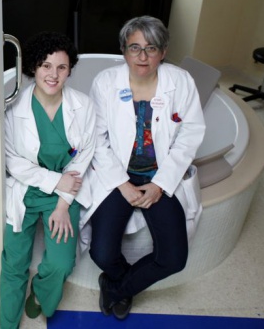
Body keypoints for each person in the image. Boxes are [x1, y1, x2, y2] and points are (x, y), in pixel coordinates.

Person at [82, 16, 206, 320]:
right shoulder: (105, 83)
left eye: (151, 48)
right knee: (102, 253)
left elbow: (191, 134)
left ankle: (116, 289)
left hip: (160, 176)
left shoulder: (180, 82)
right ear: (124, 50)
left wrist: (160, 184)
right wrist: (122, 184)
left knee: (174, 259)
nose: (142, 56)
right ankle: (122, 283)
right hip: (117, 176)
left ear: (163, 52)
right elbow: (96, 139)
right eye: (134, 48)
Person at [0, 32, 96, 328]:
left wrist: (63, 204)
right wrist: (54, 180)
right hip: (25, 190)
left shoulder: (83, 106)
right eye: (46, 66)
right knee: (14, 264)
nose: (53, 75)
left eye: (62, 67)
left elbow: (83, 158)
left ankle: (41, 293)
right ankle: (7, 325)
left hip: (64, 195)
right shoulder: (12, 107)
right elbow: (12, 159)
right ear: (33, 67)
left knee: (61, 263)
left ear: (70, 70)